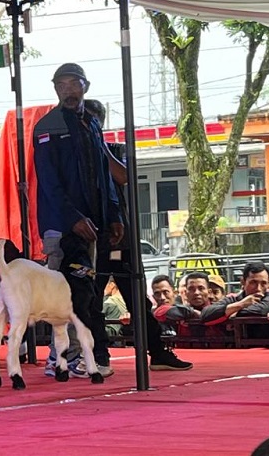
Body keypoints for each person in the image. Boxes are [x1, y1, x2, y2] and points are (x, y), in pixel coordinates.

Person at [84, 98, 191, 371]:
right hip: (92, 235)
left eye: (96, 120)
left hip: (122, 233)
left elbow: (123, 177)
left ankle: (157, 351)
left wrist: (99, 148)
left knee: (136, 297)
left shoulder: (114, 149)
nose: (91, 124)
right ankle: (98, 356)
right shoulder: (72, 156)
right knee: (92, 300)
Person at [33, 64, 121, 378]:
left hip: (94, 224)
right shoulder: (48, 125)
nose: (69, 90)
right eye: (62, 85)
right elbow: (49, 181)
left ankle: (69, 356)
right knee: (64, 292)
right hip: (63, 226)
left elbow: (104, 175)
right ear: (55, 89)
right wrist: (73, 218)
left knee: (85, 293)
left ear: (86, 86)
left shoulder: (91, 123)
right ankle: (62, 357)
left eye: (74, 84)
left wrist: (113, 214)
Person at [201, 262, 269, 326]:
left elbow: (262, 309)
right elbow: (205, 314)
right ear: (243, 282)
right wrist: (241, 304)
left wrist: (232, 312)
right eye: (253, 282)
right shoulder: (233, 299)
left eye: (263, 283)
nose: (258, 288)